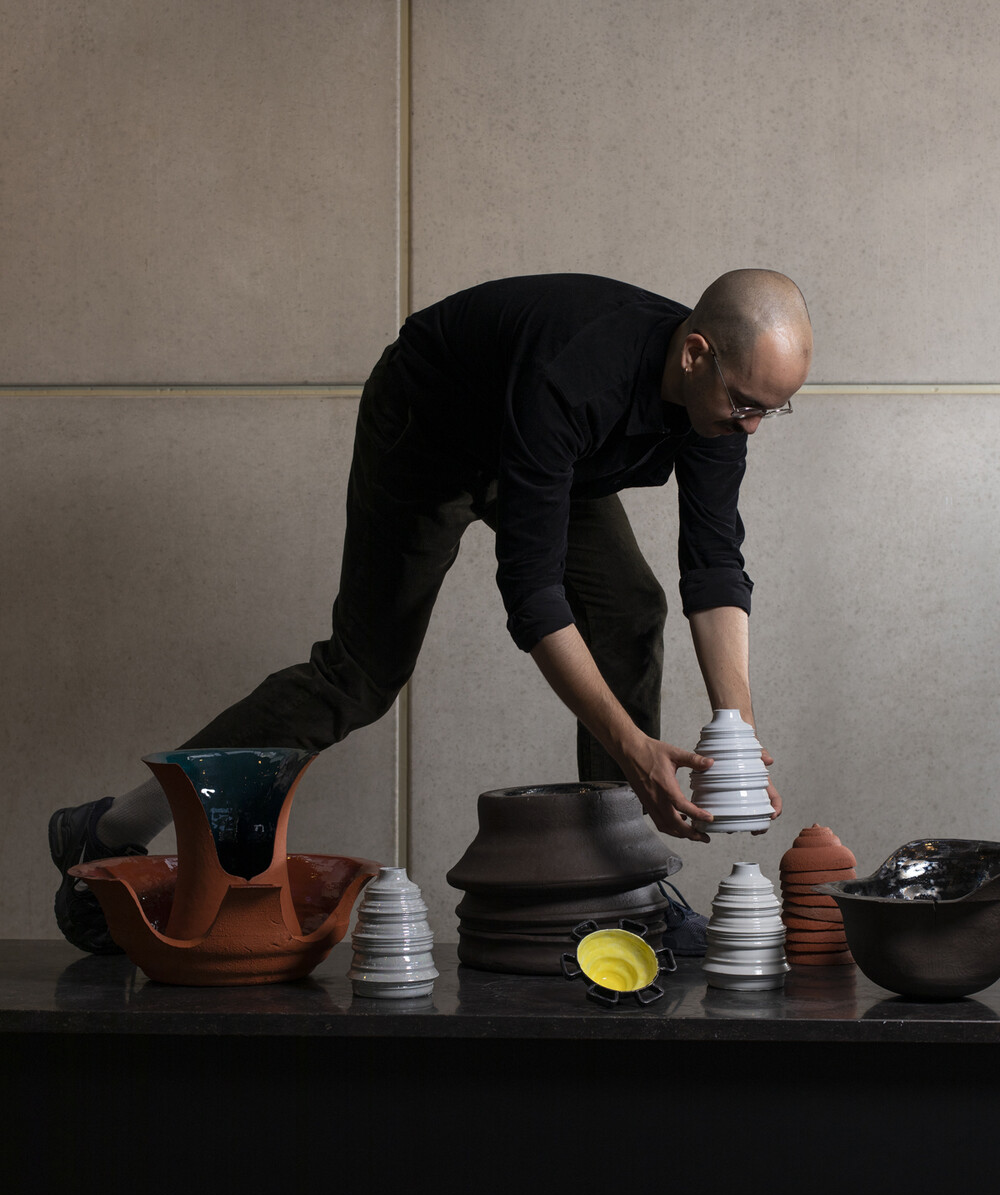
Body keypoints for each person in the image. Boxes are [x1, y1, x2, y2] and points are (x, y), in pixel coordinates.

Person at [49, 268, 813, 954]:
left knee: (628, 609)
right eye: (746, 405)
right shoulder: (576, 373)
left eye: (770, 412)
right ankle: (113, 827)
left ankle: (616, 888)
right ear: (695, 354)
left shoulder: (721, 403)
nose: (751, 426)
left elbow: (714, 566)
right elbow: (533, 598)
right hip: (430, 431)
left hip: (543, 454)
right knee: (359, 676)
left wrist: (736, 735)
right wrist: (635, 751)